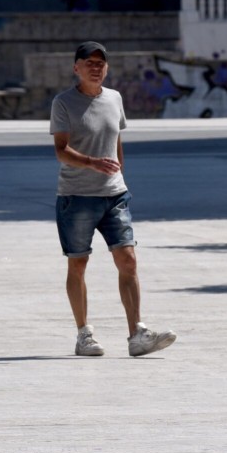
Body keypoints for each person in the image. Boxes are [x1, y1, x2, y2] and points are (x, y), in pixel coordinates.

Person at [50, 41, 176, 358]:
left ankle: (137, 334)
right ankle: (83, 335)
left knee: (128, 260)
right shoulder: (63, 102)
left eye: (101, 63)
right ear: (75, 67)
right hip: (76, 196)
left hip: (114, 194)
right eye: (89, 62)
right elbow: (61, 150)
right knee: (78, 263)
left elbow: (116, 140)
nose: (96, 67)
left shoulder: (114, 98)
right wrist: (92, 163)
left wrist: (117, 171)